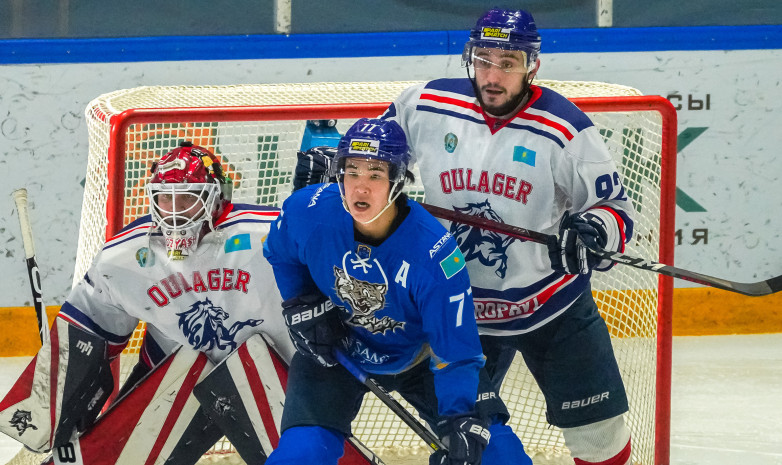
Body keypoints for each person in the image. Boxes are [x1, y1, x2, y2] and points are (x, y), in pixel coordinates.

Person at [0, 142, 371, 465]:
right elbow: (83, 334)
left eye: (188, 197)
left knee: (293, 429)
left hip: (280, 373)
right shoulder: (126, 257)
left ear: (214, 196)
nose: (174, 210)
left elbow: (347, 266)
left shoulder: (267, 233)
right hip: (176, 379)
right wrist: (49, 412)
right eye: (165, 197)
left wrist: (329, 209)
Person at [381, 8, 636, 465]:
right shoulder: (423, 105)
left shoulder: (566, 130)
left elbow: (616, 210)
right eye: (484, 60)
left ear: (532, 65)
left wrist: (594, 230)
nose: (493, 76)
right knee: (469, 440)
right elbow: (375, 159)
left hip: (551, 305)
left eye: (508, 62)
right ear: (468, 58)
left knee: (599, 437)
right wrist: (339, 165)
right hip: (459, 310)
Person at [263, 118, 532, 465]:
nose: (360, 188)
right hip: (337, 347)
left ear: (398, 181)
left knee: (497, 453)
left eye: (375, 174)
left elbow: (456, 349)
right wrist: (299, 302)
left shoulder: (435, 255)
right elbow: (279, 252)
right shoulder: (308, 210)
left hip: (421, 359)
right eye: (352, 172)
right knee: (303, 453)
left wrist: (459, 418)